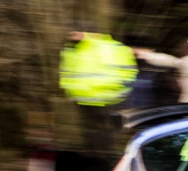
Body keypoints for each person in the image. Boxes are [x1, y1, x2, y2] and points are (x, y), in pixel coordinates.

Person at [59, 24, 138, 159]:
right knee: (91, 133)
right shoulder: (72, 50)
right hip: (84, 100)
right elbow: (67, 73)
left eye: (75, 32)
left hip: (106, 99)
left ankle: (107, 160)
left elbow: (128, 72)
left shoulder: (109, 47)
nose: (72, 36)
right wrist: (69, 91)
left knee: (104, 133)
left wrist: (118, 91)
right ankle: (97, 159)